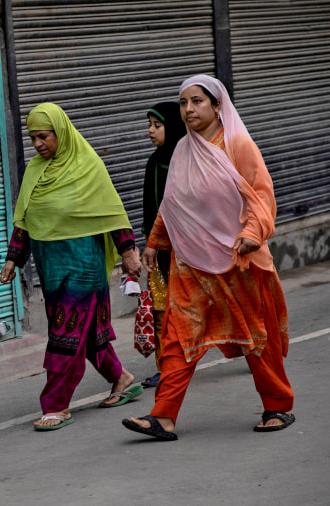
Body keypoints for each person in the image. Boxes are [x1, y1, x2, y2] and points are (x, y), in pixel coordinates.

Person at [122, 75, 295, 441]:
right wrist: (155, 242)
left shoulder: (238, 146)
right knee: (177, 338)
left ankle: (278, 405)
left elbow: (260, 197)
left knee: (256, 338)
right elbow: (174, 204)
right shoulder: (184, 150)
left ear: (217, 106)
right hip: (191, 264)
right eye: (184, 103)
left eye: (197, 101)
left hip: (239, 262)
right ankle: (163, 416)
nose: (188, 109)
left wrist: (251, 233)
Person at [0, 103, 143, 431]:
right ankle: (121, 378)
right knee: (87, 332)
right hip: (50, 265)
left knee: (65, 333)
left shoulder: (87, 166)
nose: (38, 144)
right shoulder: (35, 170)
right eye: (33, 137)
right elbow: (24, 218)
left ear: (60, 133)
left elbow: (111, 211)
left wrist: (128, 252)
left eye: (44, 136)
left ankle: (56, 404)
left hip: (83, 265)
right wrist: (13, 258)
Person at [139, 102, 187, 388]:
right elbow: (149, 207)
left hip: (188, 251)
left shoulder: (188, 160)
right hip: (157, 251)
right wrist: (149, 242)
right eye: (150, 125)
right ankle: (166, 366)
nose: (151, 131)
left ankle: (247, 347)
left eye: (157, 125)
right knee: (161, 310)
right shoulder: (153, 162)